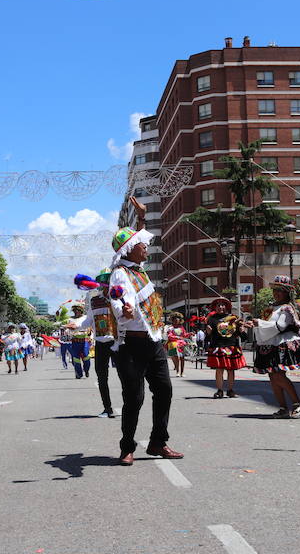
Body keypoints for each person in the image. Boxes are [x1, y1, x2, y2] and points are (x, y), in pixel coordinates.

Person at [108, 196, 183, 466]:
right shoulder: (120, 274)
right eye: (142, 245)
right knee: (134, 398)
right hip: (132, 346)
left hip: (154, 343)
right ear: (129, 249)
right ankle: (127, 446)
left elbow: (138, 236)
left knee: (164, 390)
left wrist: (142, 217)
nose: (146, 248)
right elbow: (117, 298)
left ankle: (157, 442)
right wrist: (124, 309)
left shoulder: (138, 271)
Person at [251, 276, 300, 418]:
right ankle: (283, 407)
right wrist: (254, 325)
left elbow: (280, 326)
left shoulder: (287, 308)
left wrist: (259, 323)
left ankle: (297, 403)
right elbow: (267, 327)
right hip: (271, 345)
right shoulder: (272, 308)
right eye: (275, 290)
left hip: (283, 344)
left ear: (287, 293)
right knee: (272, 376)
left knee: (278, 375)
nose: (276, 293)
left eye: (280, 290)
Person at [85, 268, 117, 418]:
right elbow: (88, 320)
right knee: (101, 376)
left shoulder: (119, 297)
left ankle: (129, 406)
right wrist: (75, 325)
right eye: (103, 281)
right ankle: (107, 408)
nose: (106, 283)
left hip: (118, 342)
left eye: (108, 280)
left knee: (126, 375)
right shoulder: (94, 300)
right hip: (100, 343)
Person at [205, 298, 248, 399]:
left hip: (231, 346)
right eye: (218, 305)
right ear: (215, 307)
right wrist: (208, 332)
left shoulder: (234, 318)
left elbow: (244, 337)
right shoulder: (212, 319)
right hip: (218, 346)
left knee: (231, 370)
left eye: (223, 305)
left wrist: (242, 331)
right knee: (219, 369)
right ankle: (219, 391)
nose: (220, 307)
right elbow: (207, 338)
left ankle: (230, 390)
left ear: (226, 307)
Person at [64, 303, 92, 379]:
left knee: (86, 357)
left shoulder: (85, 317)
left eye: (77, 310)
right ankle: (78, 374)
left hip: (84, 340)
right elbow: (67, 328)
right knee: (76, 358)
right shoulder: (70, 319)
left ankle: (86, 370)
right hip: (74, 341)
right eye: (74, 310)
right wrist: (67, 330)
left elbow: (90, 327)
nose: (76, 312)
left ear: (81, 311)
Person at [165, 312, 189, 378]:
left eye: (177, 320)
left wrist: (190, 334)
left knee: (182, 358)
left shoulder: (181, 327)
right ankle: (178, 371)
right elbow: (169, 336)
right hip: (174, 344)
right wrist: (177, 337)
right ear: (172, 320)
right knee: (177, 358)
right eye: (175, 320)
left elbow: (184, 335)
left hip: (181, 344)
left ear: (179, 321)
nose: (176, 321)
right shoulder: (170, 328)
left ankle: (182, 372)